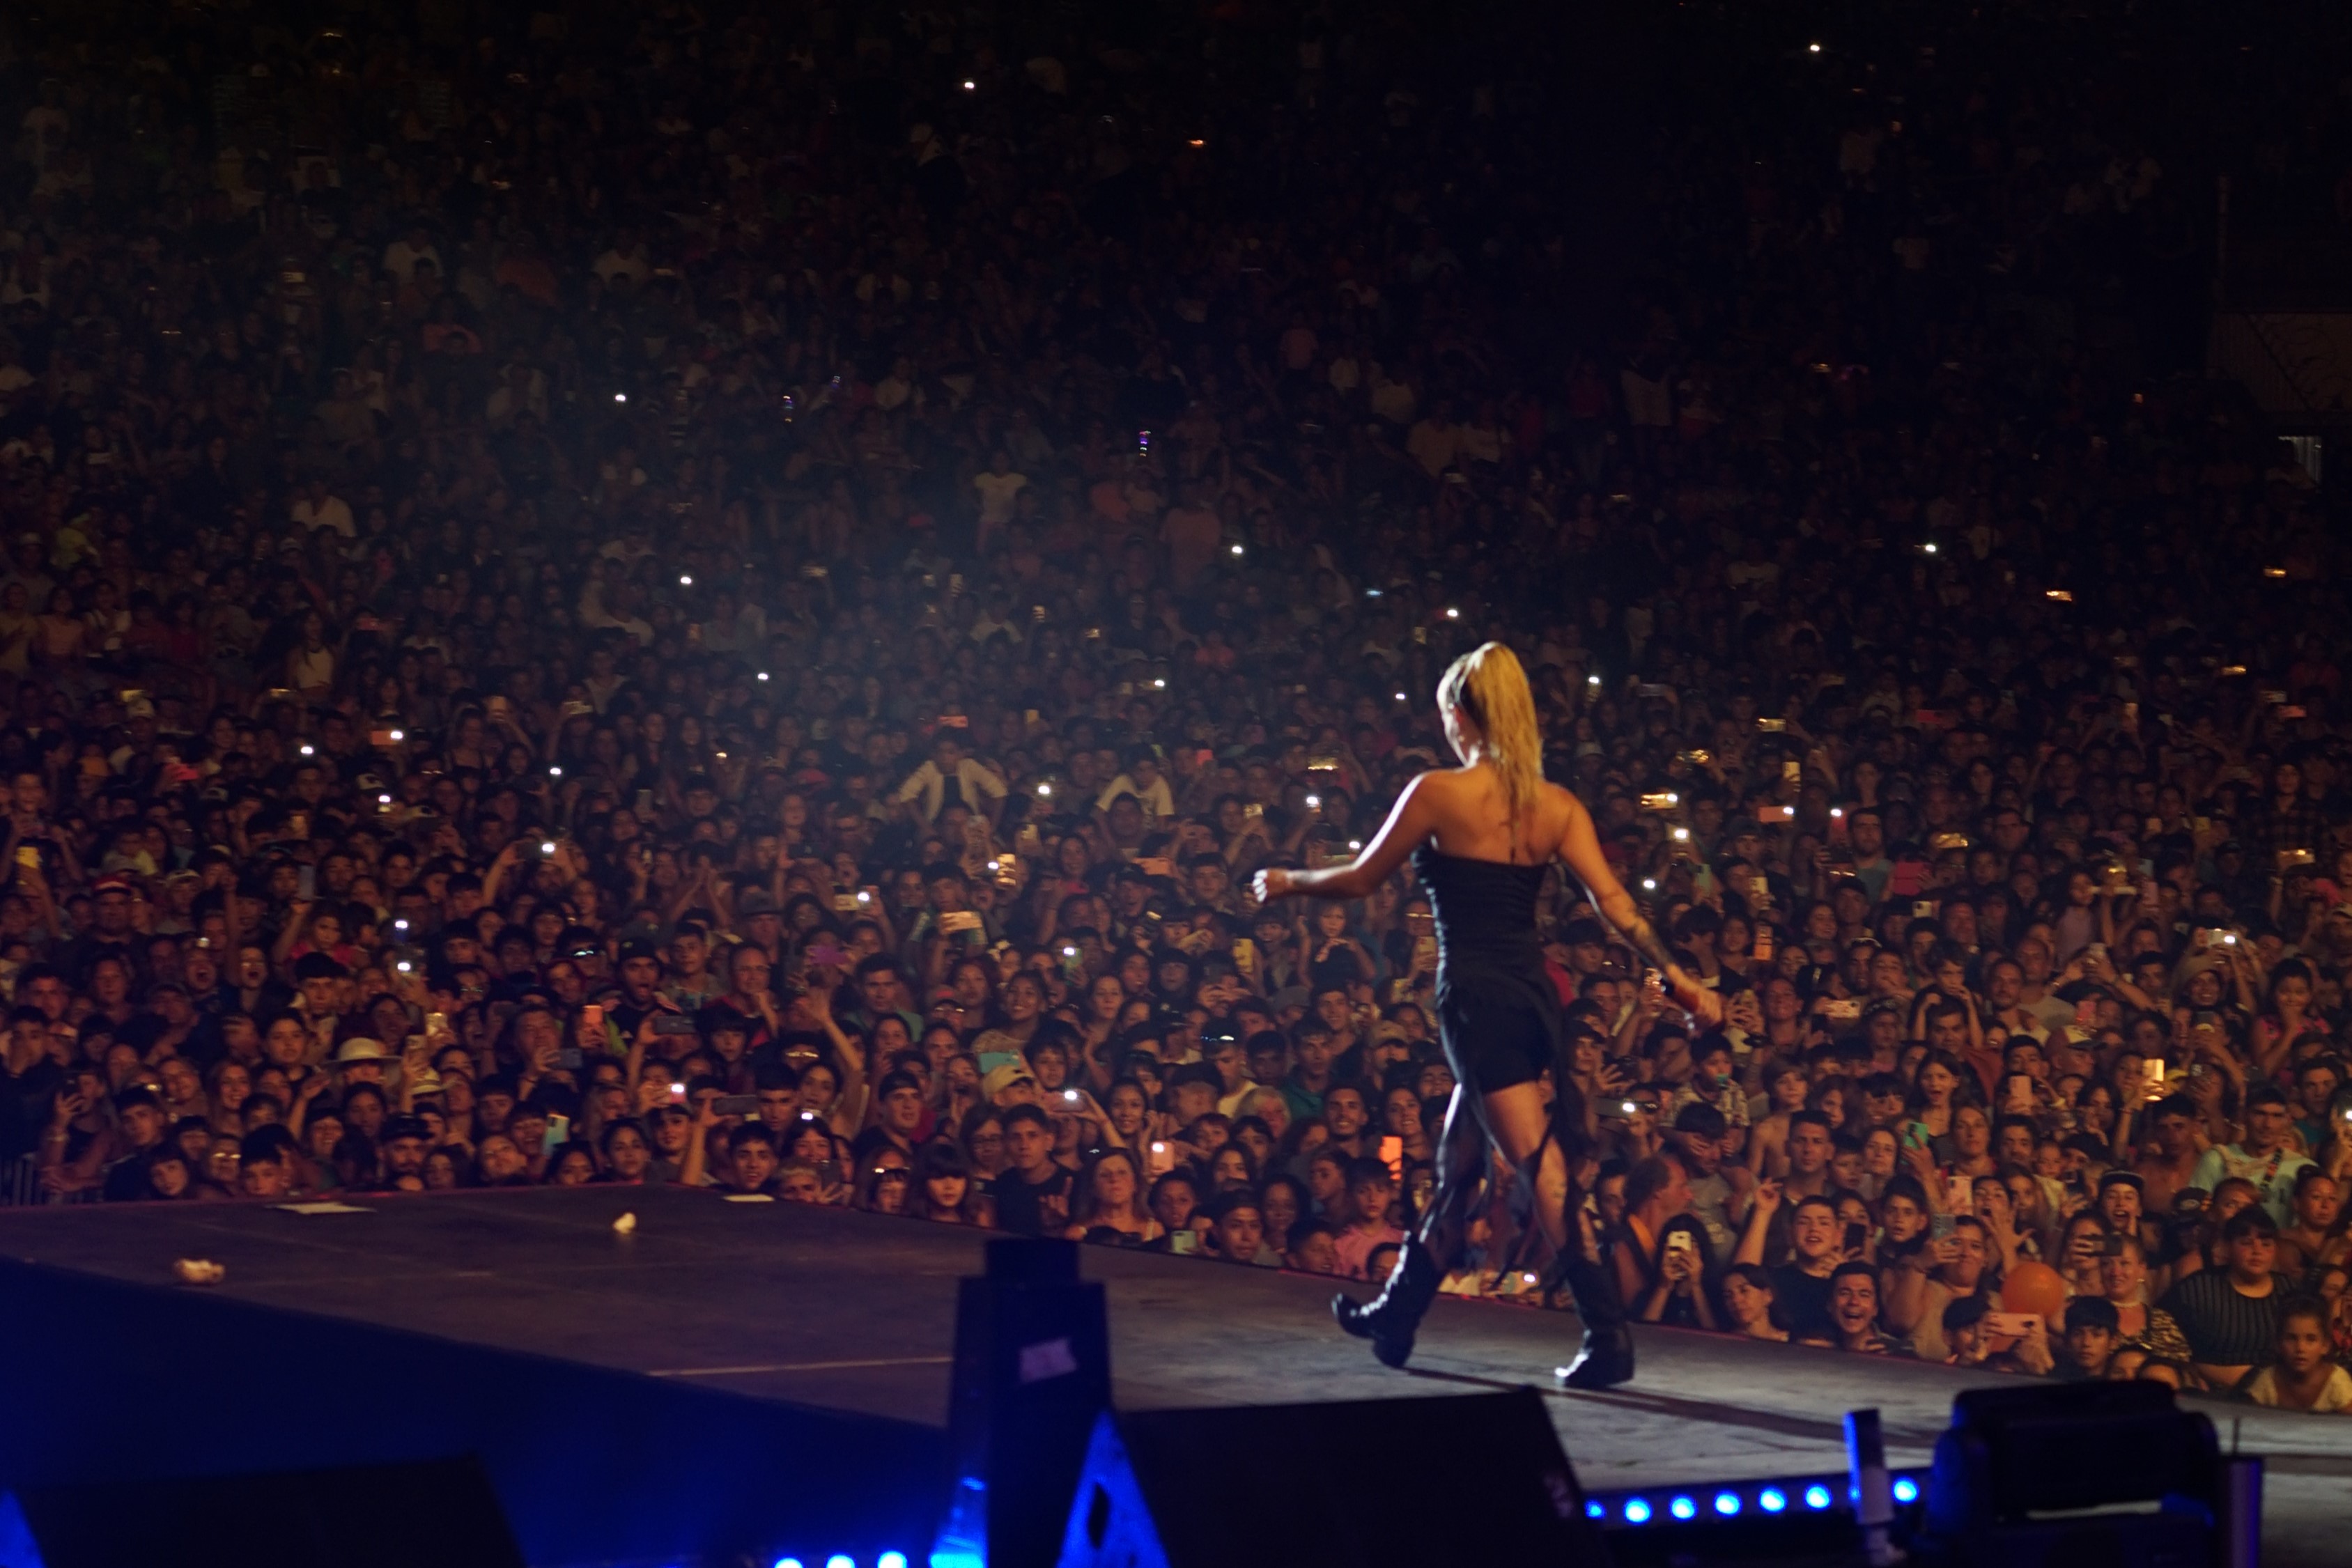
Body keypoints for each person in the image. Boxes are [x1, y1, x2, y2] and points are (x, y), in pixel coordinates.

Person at [1257, 643, 1722, 1388]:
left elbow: (1360, 878)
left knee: (1539, 1166)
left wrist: (1287, 881)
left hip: (1475, 998)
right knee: (1458, 1165)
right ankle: (1397, 1313)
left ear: (1458, 714)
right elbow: (1616, 905)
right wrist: (1677, 976)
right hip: (1534, 997)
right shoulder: (1556, 804)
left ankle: (1606, 1334)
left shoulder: (1437, 792)